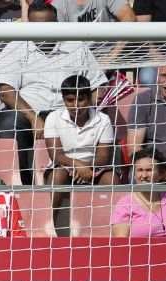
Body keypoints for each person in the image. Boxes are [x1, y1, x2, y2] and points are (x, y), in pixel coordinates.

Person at [0, 0, 107, 185]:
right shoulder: (15, 47)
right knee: (9, 121)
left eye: (48, 25)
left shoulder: (76, 47)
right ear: (28, 24)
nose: (42, 30)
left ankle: (92, 179)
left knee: (101, 120)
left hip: (69, 111)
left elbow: (97, 87)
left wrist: (83, 111)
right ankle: (19, 184)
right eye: (37, 26)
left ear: (56, 23)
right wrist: (33, 118)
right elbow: (5, 90)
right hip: (30, 112)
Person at [44, 74, 115, 234]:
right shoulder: (53, 118)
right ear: (63, 100)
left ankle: (109, 227)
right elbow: (56, 155)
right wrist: (78, 165)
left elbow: (104, 156)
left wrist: (86, 168)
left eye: (81, 99)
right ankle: (48, 225)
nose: (76, 105)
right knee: (58, 175)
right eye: (70, 100)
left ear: (89, 98)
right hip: (64, 165)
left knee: (111, 178)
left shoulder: (103, 119)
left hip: (94, 166)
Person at [111, 146, 166, 237]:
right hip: (140, 250)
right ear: (134, 175)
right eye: (140, 170)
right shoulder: (125, 204)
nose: (144, 175)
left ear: (161, 174)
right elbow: (121, 244)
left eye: (149, 170)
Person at [125, 65, 166, 158]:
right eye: (163, 75)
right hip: (154, 164)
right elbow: (134, 148)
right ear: (156, 77)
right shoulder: (143, 99)